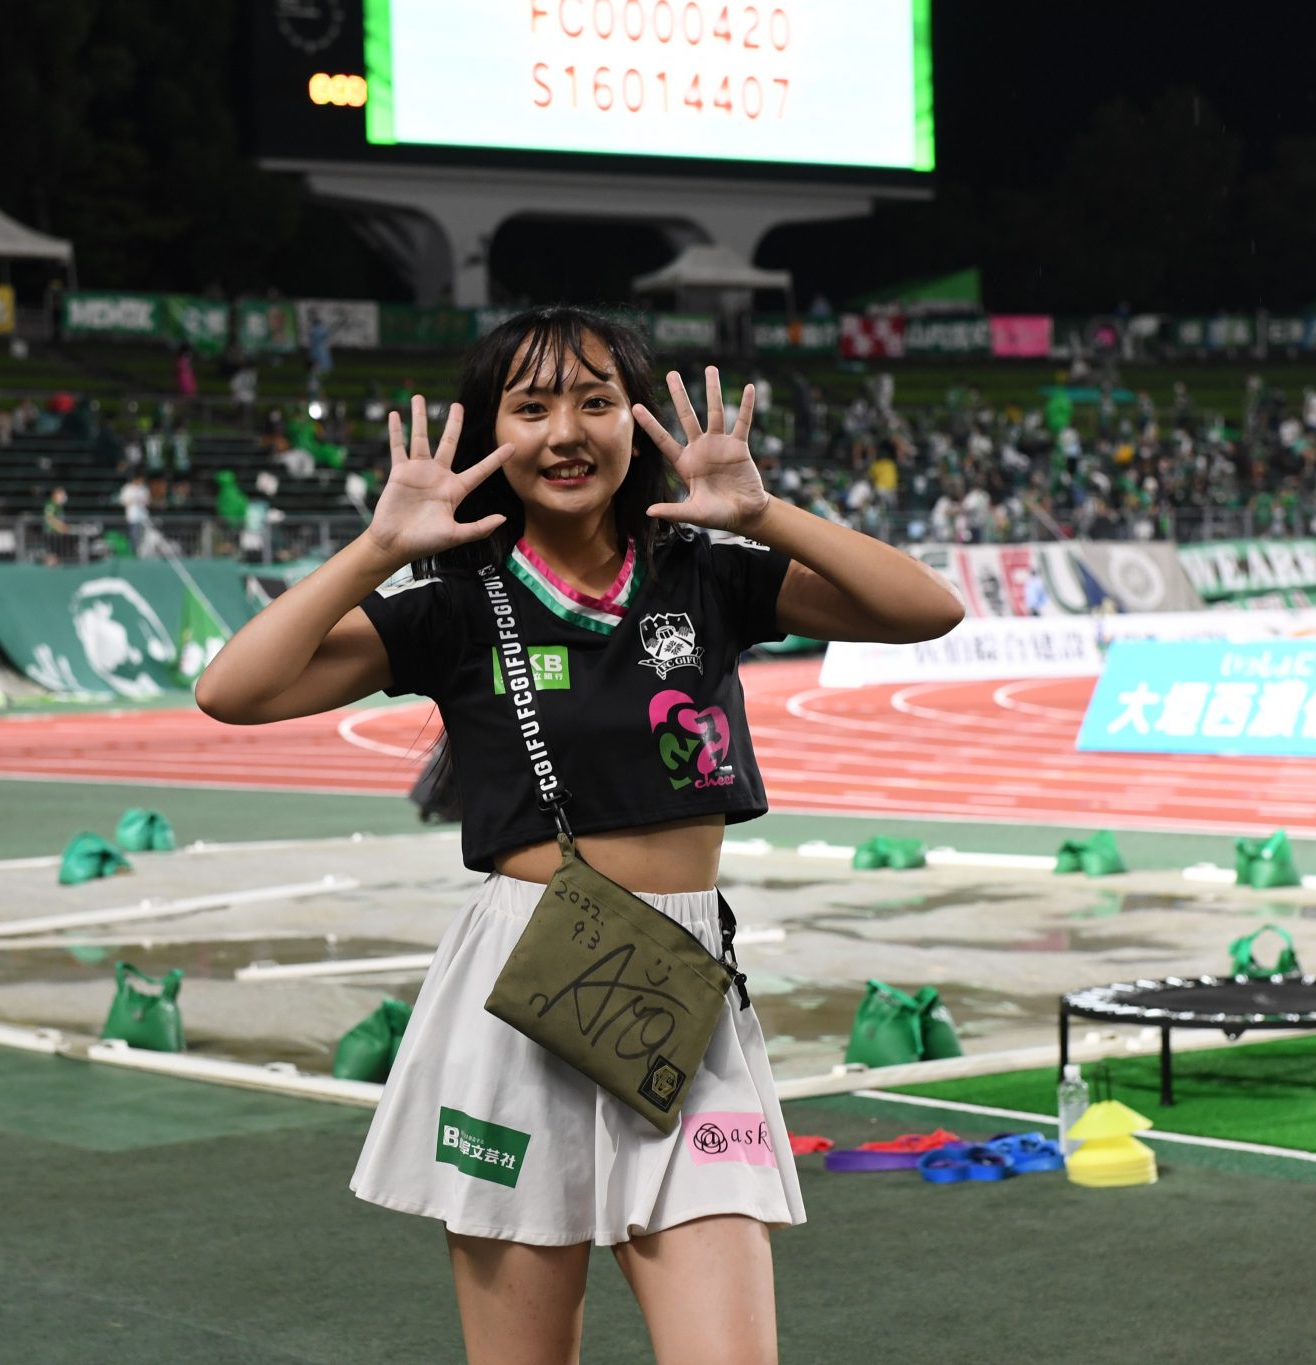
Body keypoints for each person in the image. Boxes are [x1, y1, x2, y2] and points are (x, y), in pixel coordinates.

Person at [193, 307, 962, 1364]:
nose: (566, 432)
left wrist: (762, 512)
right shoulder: (454, 603)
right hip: (520, 997)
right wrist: (378, 549)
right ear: (490, 435)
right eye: (531, 407)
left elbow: (925, 609)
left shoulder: (704, 572)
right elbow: (232, 690)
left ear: (637, 424)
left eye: (596, 401)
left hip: (681, 997)